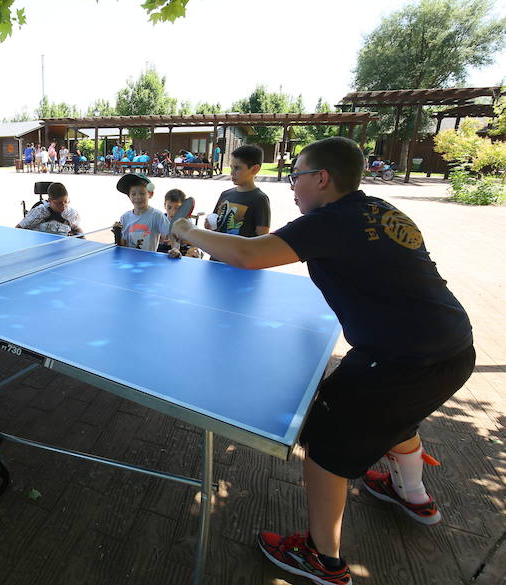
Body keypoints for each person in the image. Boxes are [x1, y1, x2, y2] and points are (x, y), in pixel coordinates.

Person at [169, 137, 474, 585]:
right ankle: (411, 492)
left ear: (322, 179)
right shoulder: (383, 209)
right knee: (394, 415)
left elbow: (248, 255)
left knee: (328, 445)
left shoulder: (329, 221)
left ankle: (322, 558)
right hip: (454, 347)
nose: (293, 187)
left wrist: (185, 229)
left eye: (297, 177)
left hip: (397, 359)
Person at [207, 144, 270, 258]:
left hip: (239, 261)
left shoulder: (259, 199)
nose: (232, 172)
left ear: (255, 169)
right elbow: (216, 223)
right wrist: (209, 225)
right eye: (231, 167)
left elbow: (262, 238)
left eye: (237, 168)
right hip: (217, 257)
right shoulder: (225, 194)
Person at [113, 173, 180, 257]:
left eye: (142, 193)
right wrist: (117, 234)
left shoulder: (156, 215)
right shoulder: (125, 217)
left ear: (150, 194)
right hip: (129, 260)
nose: (138, 197)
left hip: (149, 260)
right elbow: (123, 245)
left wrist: (175, 248)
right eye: (133, 194)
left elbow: (172, 235)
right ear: (129, 196)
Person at [16, 182, 82, 236]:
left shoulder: (71, 214)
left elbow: (77, 229)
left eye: (65, 201)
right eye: (59, 203)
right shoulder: (39, 212)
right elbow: (18, 229)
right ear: (49, 201)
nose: (63, 206)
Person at [157, 189, 200, 258]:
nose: (173, 212)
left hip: (182, 253)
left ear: (183, 208)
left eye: (177, 208)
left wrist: (181, 240)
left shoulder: (187, 223)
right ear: (165, 205)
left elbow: (198, 241)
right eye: (169, 207)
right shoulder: (160, 219)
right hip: (162, 251)